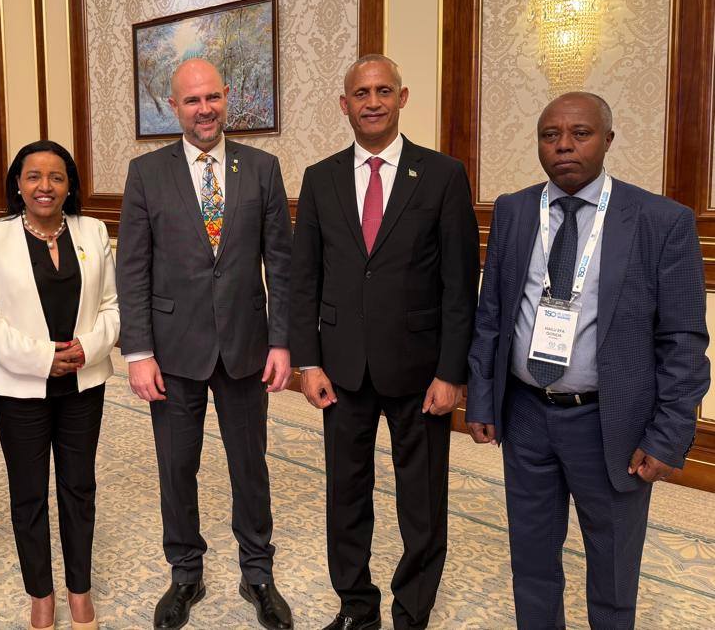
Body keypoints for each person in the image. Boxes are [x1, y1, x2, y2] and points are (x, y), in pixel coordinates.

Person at [465, 91, 710, 629]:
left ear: (608, 140)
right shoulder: (513, 211)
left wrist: (668, 436)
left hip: (611, 422)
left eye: (580, 134)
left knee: (613, 570)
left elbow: (683, 343)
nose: (564, 146)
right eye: (550, 135)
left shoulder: (660, 221)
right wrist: (481, 399)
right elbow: (492, 315)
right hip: (526, 415)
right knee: (531, 559)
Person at [290, 54, 480, 630]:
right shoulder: (320, 178)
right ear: (344, 104)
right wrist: (307, 362)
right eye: (360, 93)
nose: (372, 102)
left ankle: (411, 613)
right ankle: (356, 606)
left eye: (383, 91)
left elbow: (459, 284)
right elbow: (304, 279)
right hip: (341, 368)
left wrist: (452, 372)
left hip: (421, 372)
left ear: (402, 97)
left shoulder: (442, 174)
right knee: (346, 496)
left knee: (421, 501)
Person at [116, 57, 294, 630]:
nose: (204, 109)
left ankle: (257, 572)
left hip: (246, 345)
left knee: (250, 465)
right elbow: (132, 269)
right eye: (192, 100)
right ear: (174, 107)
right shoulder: (146, 173)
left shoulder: (262, 168)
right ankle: (185, 573)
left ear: (227, 98)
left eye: (213, 97)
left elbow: (281, 263)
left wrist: (282, 342)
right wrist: (138, 353)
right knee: (177, 467)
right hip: (172, 351)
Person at [0, 140, 118, 630]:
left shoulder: (93, 231)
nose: (44, 186)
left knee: (79, 487)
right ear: (18, 183)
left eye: (56, 177)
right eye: (33, 176)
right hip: (20, 389)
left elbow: (112, 306)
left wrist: (86, 349)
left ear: (70, 185)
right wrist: (42, 358)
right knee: (28, 493)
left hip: (83, 382)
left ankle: (79, 590)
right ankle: (41, 593)